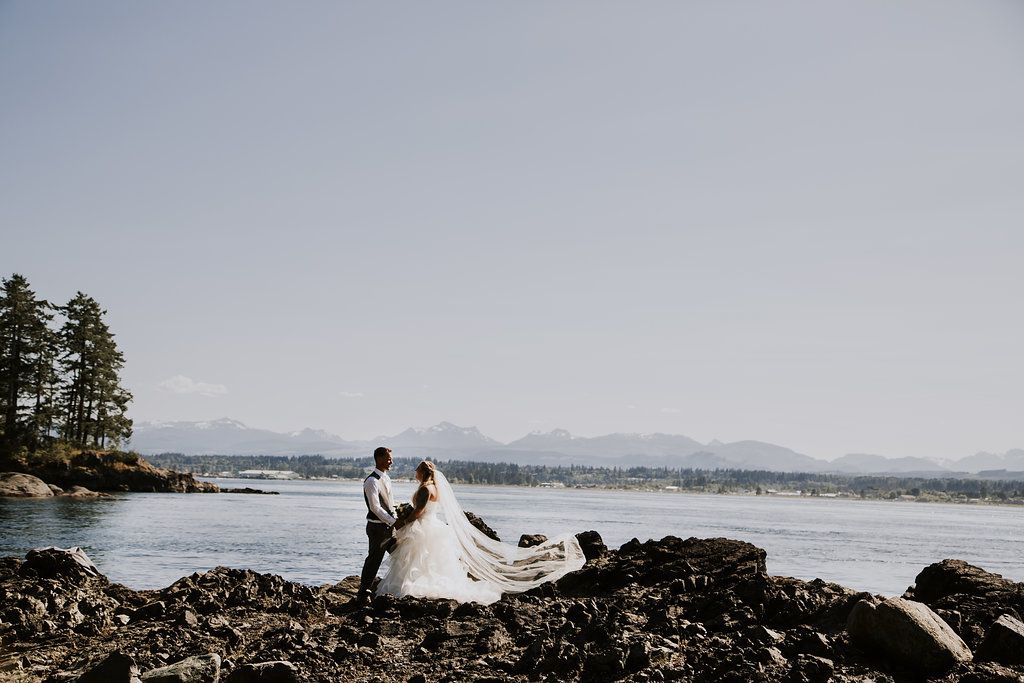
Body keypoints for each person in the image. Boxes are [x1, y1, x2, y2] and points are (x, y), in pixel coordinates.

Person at [376, 460, 586, 604]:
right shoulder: (437, 489)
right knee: (432, 561)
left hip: (424, 527)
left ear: (421, 472)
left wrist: (402, 521)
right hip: (434, 526)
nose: (414, 473)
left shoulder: (424, 489)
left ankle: (413, 587)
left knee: (417, 559)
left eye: (416, 470)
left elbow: (418, 512)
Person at [357, 446, 397, 606]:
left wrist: (397, 517)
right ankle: (363, 593)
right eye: (388, 459)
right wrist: (393, 521)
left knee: (402, 554)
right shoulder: (371, 481)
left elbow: (390, 504)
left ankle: (398, 587)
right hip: (377, 529)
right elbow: (375, 508)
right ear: (379, 459)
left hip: (390, 528)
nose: (391, 462)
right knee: (374, 560)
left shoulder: (386, 479)